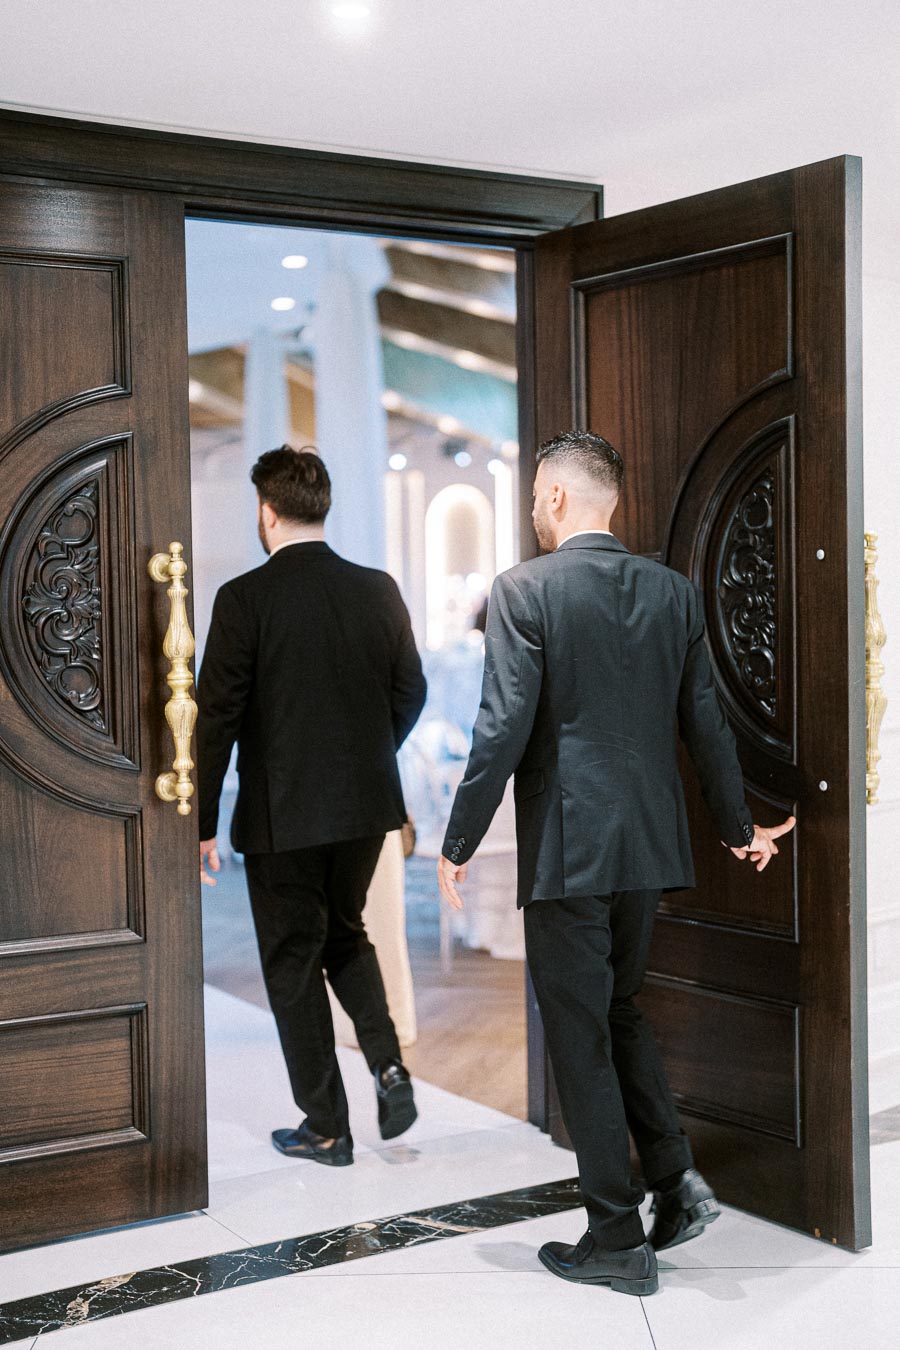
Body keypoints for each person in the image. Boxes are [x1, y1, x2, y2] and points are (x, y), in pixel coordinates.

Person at [437, 430, 795, 1296]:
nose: (532, 507)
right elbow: (705, 723)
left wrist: (457, 839)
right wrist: (737, 826)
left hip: (571, 847)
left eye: (535, 494)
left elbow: (501, 726)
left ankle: (615, 1239)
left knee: (581, 1034)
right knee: (619, 1010)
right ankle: (676, 1181)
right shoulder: (672, 593)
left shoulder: (524, 590)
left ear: (559, 497)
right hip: (647, 848)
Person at [198, 445, 427, 1167]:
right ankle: (389, 1067)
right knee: (347, 936)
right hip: (365, 809)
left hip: (282, 814)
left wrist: (200, 822)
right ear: (319, 508)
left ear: (267, 513)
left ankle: (327, 1127)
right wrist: (368, 756)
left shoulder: (244, 599)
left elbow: (216, 718)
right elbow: (411, 690)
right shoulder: (378, 590)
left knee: (294, 961)